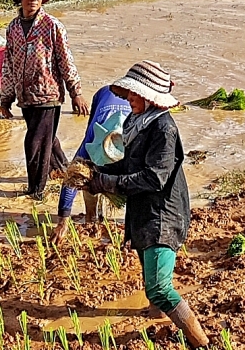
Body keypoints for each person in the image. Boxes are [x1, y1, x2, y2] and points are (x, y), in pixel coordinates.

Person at [86, 61, 208, 348]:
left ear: (151, 97)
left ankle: (201, 342)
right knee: (153, 281)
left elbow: (155, 177)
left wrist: (108, 184)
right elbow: (127, 166)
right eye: (128, 93)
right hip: (143, 213)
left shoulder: (163, 129)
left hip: (163, 215)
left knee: (160, 289)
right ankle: (156, 315)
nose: (128, 99)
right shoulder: (135, 122)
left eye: (133, 94)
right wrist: (95, 175)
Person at [0, 0, 89, 199]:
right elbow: (8, 65)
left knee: (34, 143)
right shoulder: (13, 28)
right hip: (25, 97)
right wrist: (5, 98)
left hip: (48, 94)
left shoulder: (52, 26)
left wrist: (75, 92)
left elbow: (65, 60)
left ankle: (35, 192)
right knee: (46, 139)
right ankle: (67, 173)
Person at [54, 85, 131, 238]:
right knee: (88, 177)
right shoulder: (91, 142)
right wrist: (63, 220)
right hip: (103, 97)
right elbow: (72, 180)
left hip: (126, 109)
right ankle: (91, 217)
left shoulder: (137, 143)